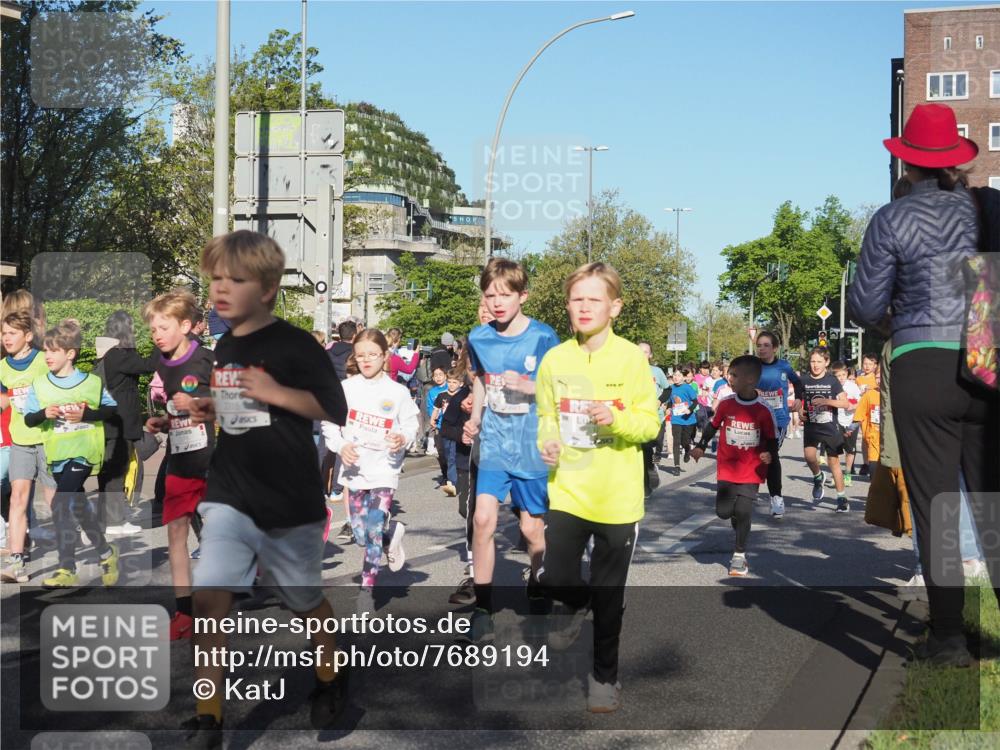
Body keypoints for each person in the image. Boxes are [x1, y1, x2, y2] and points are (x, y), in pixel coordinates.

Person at [848, 103, 1000, 667]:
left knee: (938, 507)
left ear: (906, 163)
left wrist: (902, 323)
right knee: (991, 503)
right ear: (955, 161)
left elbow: (865, 305)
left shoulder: (891, 218)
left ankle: (949, 639)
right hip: (986, 358)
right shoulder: (988, 206)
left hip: (920, 365)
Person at [184, 230, 349, 743]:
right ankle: (208, 717)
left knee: (303, 601)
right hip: (230, 493)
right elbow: (242, 412)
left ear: (269, 289)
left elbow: (334, 408)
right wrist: (213, 408)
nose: (220, 289)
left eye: (235, 280)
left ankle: (330, 675)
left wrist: (276, 391)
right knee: (209, 600)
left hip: (288, 497)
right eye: (216, 279)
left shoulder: (295, 344)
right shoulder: (227, 345)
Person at [535, 262, 660, 713]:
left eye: (594, 299)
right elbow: (546, 415)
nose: (584, 307)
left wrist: (616, 418)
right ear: (567, 305)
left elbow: (649, 424)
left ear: (615, 307)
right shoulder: (555, 360)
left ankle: (604, 677)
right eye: (577, 299)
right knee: (556, 576)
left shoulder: (631, 359)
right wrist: (547, 443)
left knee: (610, 599)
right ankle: (574, 603)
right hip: (568, 490)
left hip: (617, 497)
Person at [462, 258, 560, 642]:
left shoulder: (543, 337)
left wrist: (529, 386)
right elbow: (482, 381)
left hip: (531, 445)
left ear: (523, 296)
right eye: (490, 295)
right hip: (495, 443)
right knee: (482, 519)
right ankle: (483, 608)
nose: (497, 302)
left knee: (531, 529)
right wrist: (476, 418)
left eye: (505, 295)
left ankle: (537, 579)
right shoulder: (479, 337)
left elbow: (560, 388)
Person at [322, 328, 418, 614]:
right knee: (362, 535)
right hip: (355, 470)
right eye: (361, 355)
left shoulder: (397, 392)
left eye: (372, 355)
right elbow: (329, 423)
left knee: (373, 527)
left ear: (384, 356)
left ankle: (366, 592)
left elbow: (411, 425)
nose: (366, 360)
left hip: (384, 469)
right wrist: (341, 445)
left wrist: (403, 438)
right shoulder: (346, 389)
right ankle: (391, 534)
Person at [21, 319, 120, 588]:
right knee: (78, 507)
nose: (47, 356)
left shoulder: (91, 382)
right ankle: (106, 554)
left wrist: (87, 414)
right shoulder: (40, 384)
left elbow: (111, 408)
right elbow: (29, 419)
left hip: (84, 453)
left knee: (60, 503)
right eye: (46, 350)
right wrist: (44, 413)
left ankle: (67, 568)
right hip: (57, 455)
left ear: (70, 353)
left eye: (54, 350)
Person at [143, 290, 215, 641]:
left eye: (164, 327)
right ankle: (184, 612)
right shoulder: (162, 362)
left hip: (216, 461)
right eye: (153, 329)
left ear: (185, 326)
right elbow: (179, 411)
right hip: (181, 460)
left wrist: (198, 405)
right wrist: (165, 422)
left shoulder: (207, 359)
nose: (157, 335)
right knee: (176, 534)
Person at [690, 355, 777, 577]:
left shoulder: (763, 409)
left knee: (744, 510)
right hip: (727, 468)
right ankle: (737, 521)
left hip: (752, 469)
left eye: (734, 375)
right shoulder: (727, 403)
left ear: (750, 380)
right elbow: (712, 426)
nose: (730, 378)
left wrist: (769, 453)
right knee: (724, 512)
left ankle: (739, 555)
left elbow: (771, 438)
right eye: (730, 374)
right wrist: (700, 446)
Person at [0, 310, 57, 583]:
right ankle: (16, 562)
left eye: (12, 333)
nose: (6, 338)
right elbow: (4, 401)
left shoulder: (43, 361)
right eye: (3, 333)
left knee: (54, 500)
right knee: (17, 499)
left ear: (28, 336)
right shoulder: (2, 367)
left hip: (47, 439)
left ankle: (70, 559)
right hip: (20, 441)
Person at [94, 310, 158, 536]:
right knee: (116, 471)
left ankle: (105, 519)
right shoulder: (120, 354)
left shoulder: (107, 353)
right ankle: (114, 521)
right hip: (120, 421)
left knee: (109, 471)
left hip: (111, 420)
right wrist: (159, 342)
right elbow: (150, 364)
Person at [754, 331, 803, 518]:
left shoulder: (784, 366)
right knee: (756, 455)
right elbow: (740, 384)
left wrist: (798, 399)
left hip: (778, 420)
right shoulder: (753, 366)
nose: (762, 349)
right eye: (759, 345)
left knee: (771, 455)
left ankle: (776, 498)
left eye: (766, 345)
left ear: (775, 348)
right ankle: (750, 488)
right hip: (756, 419)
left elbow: (798, 383)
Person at [799, 347, 851, 511]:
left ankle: (841, 498)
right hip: (811, 426)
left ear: (826, 362)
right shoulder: (804, 380)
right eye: (812, 361)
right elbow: (799, 401)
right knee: (809, 456)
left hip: (830, 427)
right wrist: (800, 412)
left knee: (833, 462)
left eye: (819, 362)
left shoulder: (832, 381)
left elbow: (845, 403)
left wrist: (827, 401)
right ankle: (818, 476)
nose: (815, 365)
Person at [637, 342, 669, 495]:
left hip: (654, 416)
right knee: (639, 450)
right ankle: (644, 484)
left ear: (650, 355)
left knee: (647, 447)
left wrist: (659, 401)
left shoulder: (656, 371)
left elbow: (667, 390)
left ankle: (650, 469)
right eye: (639, 351)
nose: (641, 354)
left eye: (645, 352)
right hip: (635, 416)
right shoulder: (628, 371)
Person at [432, 369, 463, 497]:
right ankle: (452, 480)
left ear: (460, 383)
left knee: (453, 456)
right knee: (446, 454)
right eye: (449, 382)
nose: (451, 385)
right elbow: (436, 409)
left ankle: (453, 483)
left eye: (454, 382)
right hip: (445, 429)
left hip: (459, 429)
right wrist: (432, 420)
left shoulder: (463, 395)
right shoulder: (442, 395)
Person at [832, 360, 862, 487]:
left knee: (850, 450)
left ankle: (848, 474)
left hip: (851, 421)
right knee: (835, 450)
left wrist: (853, 406)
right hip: (837, 421)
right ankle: (836, 475)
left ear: (847, 373)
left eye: (843, 375)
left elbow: (861, 403)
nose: (841, 378)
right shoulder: (832, 386)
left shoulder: (852, 386)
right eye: (838, 376)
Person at [667, 368, 698, 474]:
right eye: (675, 375)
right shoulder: (671, 388)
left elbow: (695, 402)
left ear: (684, 377)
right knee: (676, 441)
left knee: (685, 441)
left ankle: (687, 449)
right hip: (676, 419)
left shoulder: (688, 388)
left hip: (688, 419)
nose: (676, 377)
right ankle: (677, 466)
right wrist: (668, 408)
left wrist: (689, 410)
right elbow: (670, 402)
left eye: (679, 375)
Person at [424, 365, 448, 466]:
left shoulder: (450, 388)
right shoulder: (432, 392)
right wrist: (433, 417)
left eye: (440, 375)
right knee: (440, 448)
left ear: (445, 376)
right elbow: (430, 406)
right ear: (433, 378)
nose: (438, 377)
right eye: (435, 375)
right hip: (438, 422)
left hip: (449, 422)